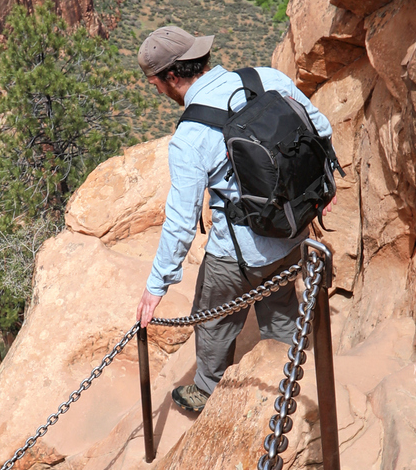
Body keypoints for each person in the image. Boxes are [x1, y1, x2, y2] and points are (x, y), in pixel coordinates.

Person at [134, 26, 334, 417]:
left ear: (171, 77)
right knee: (280, 300)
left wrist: (156, 286)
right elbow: (320, 129)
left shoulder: (190, 137)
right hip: (293, 229)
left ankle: (207, 392)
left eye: (154, 82)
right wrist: (323, 190)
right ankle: (286, 378)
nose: (156, 89)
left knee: (213, 320)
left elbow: (180, 221)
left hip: (239, 254)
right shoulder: (266, 79)